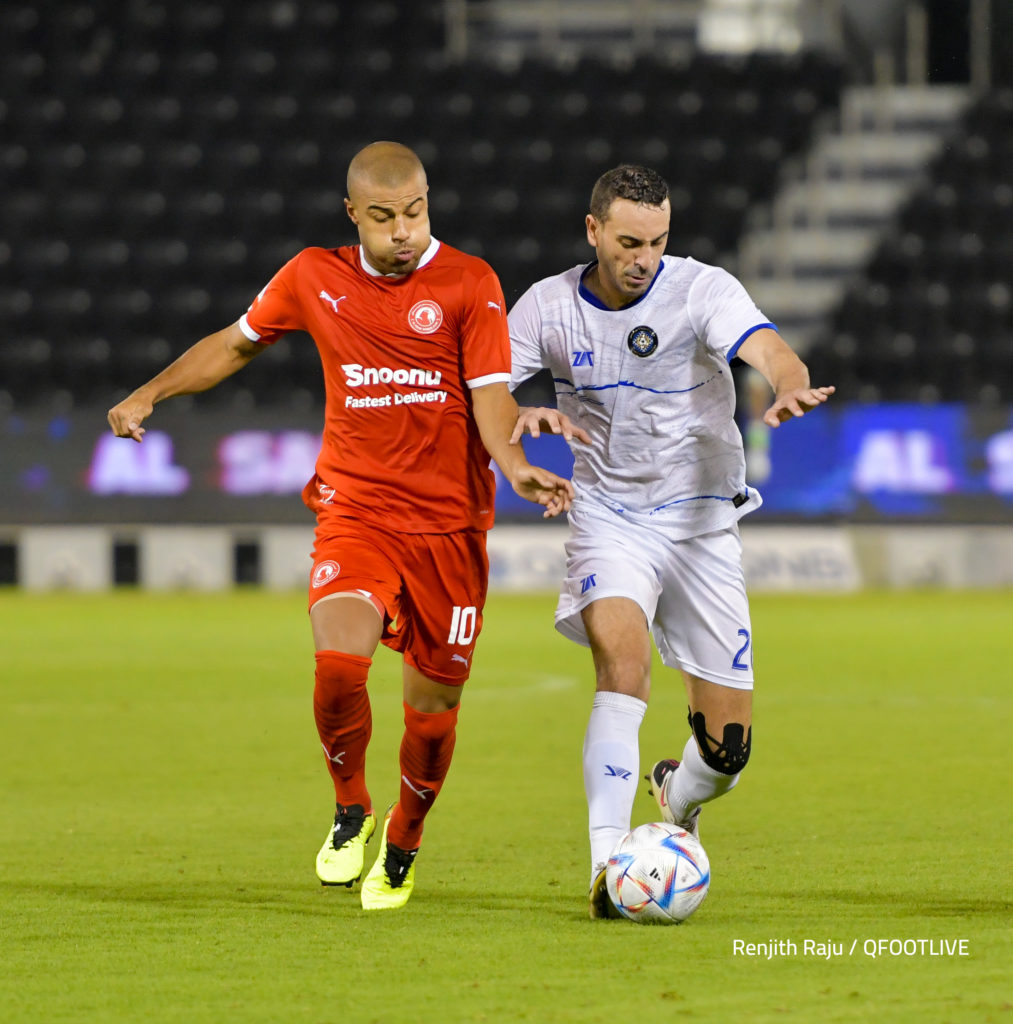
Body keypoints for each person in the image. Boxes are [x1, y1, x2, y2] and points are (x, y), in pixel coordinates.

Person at [107, 141, 575, 911]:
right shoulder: (312, 276)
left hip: (449, 529)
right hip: (356, 510)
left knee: (430, 711)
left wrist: (515, 465)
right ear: (352, 213)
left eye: (416, 212)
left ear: (430, 202)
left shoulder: (469, 283)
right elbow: (233, 345)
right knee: (337, 664)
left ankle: (403, 842)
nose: (403, 231)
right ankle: (350, 806)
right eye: (384, 217)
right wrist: (149, 394)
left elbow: (492, 396)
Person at [506, 164, 834, 918]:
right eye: (627, 241)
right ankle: (608, 866)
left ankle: (676, 798)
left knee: (727, 753)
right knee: (621, 665)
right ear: (592, 231)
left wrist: (787, 381)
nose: (642, 257)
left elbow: (768, 348)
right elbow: (481, 384)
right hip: (608, 516)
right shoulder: (546, 309)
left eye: (655, 241)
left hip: (701, 524)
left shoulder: (699, 289)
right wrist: (514, 428)